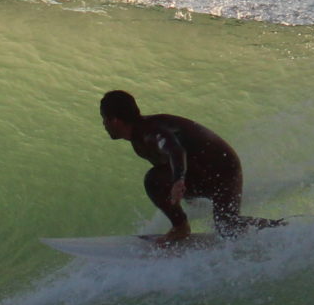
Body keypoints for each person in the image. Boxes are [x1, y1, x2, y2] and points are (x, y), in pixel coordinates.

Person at [99, 90, 276, 243]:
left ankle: (280, 228)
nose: (103, 124)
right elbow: (168, 164)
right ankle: (181, 225)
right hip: (203, 171)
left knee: (227, 227)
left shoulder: (151, 133)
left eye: (104, 119)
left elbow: (175, 150)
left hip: (224, 170)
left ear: (115, 121)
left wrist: (178, 182)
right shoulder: (139, 137)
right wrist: (186, 193)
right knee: (226, 225)